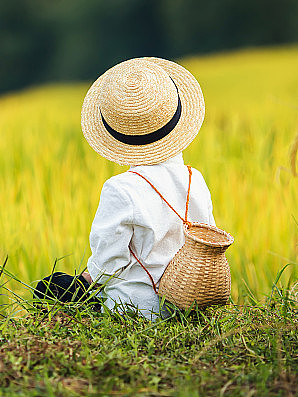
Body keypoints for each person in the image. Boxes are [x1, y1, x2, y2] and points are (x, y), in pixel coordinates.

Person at [35, 57, 216, 320]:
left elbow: (109, 264)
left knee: (49, 289)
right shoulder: (195, 179)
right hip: (190, 307)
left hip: (135, 310)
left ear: (117, 132)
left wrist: (81, 283)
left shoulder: (121, 188)